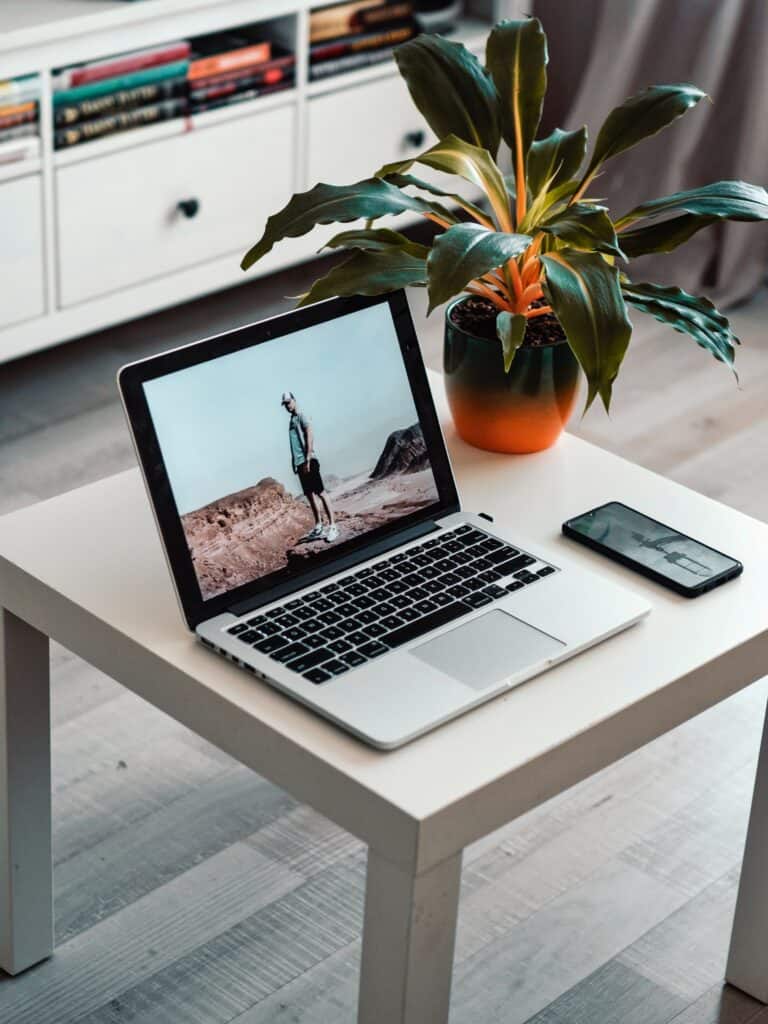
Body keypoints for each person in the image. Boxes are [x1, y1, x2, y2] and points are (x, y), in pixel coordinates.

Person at [281, 391, 338, 542]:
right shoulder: (292, 420)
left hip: (308, 460)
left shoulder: (301, 415)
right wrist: (295, 463)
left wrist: (307, 458)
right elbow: (294, 444)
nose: (287, 406)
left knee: (320, 492)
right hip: (300, 463)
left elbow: (309, 434)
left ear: (294, 400)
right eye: (285, 404)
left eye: (288, 402)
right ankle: (319, 525)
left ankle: (332, 526)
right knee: (309, 495)